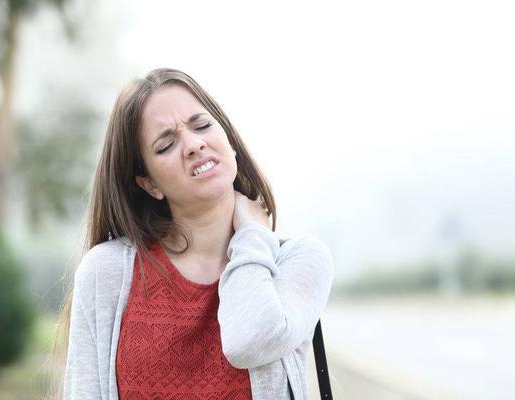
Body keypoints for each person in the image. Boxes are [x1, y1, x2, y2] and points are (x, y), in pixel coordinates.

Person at [58, 68, 334, 400]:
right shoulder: (107, 272)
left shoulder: (298, 261)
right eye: (166, 144)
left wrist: (250, 235)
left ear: (229, 141)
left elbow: (249, 341)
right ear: (149, 184)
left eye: (202, 125)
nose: (193, 144)